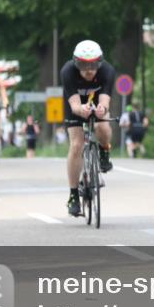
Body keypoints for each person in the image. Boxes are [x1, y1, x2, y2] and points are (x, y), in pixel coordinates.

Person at [62, 40, 116, 217]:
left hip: (97, 102)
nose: (89, 70)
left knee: (103, 126)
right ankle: (73, 195)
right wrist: (80, 110)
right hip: (75, 105)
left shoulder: (107, 71)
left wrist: (103, 110)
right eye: (83, 65)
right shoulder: (68, 72)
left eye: (93, 65)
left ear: (100, 62)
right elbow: (75, 105)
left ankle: (104, 151)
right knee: (76, 145)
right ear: (76, 63)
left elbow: (105, 101)